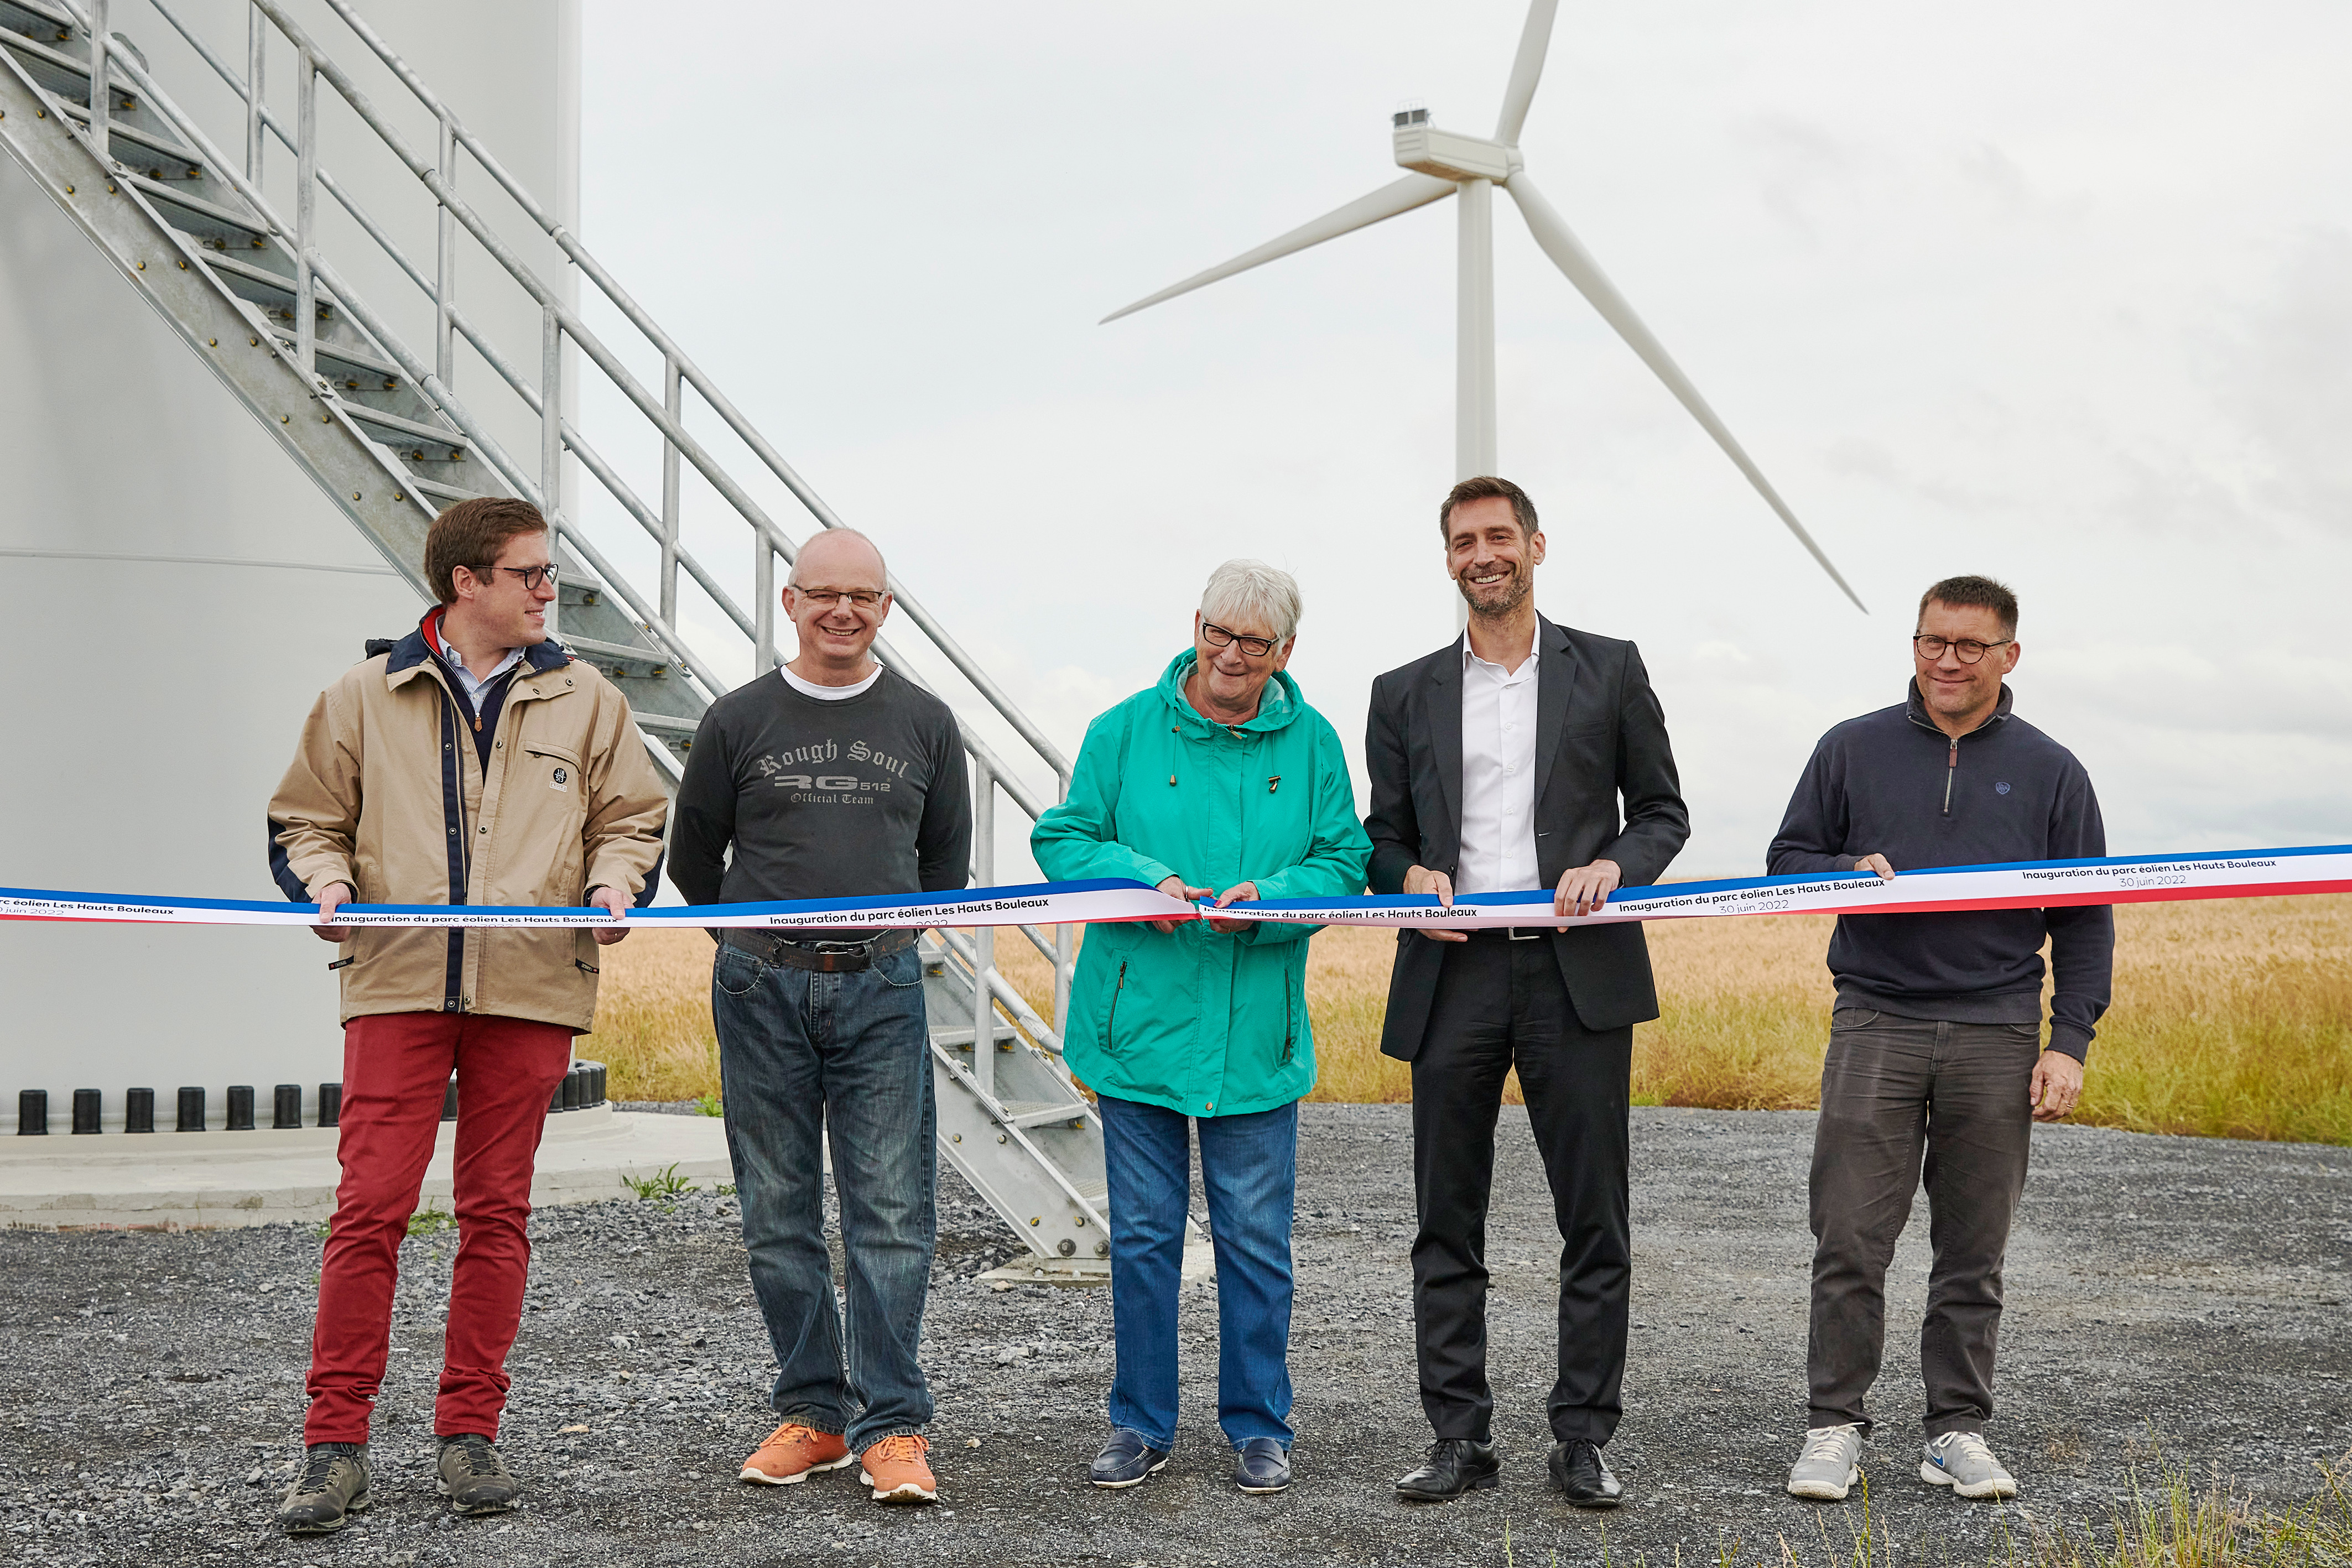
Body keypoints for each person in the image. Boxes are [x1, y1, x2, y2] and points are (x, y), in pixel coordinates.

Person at [265, 497, 669, 1532]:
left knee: (498, 1215)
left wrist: (616, 886)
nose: (550, 591)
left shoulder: (591, 700)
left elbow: (631, 821)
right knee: (370, 1213)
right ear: (467, 584)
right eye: (531, 573)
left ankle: (470, 1435)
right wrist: (323, 885)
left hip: (531, 990)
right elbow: (306, 820)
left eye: (550, 574)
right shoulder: (364, 694)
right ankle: (333, 1446)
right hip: (397, 983)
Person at [1365, 476, 1688, 1509]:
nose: (1482, 554)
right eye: (1464, 541)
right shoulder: (1401, 691)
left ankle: (1584, 1437)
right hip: (1451, 973)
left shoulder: (1612, 669)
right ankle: (1459, 1437)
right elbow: (1384, 840)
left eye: (1499, 536)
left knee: (1594, 1221)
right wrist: (1405, 877)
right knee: (1443, 1222)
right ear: (1447, 559)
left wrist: (1620, 870)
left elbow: (1665, 812)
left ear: (1537, 547)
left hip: (1574, 974)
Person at [1032, 560, 1371, 1497]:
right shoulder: (1123, 730)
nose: (1229, 656)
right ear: (1195, 626)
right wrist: (1145, 879)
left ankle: (1260, 1427)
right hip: (1136, 1034)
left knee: (1257, 1245)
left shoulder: (1314, 746)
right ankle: (1139, 1424)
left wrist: (1272, 899)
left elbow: (1345, 862)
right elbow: (1062, 837)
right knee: (1143, 1242)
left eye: (1253, 644)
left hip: (1256, 1036)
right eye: (1217, 634)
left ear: (1285, 652)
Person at [1770, 575, 2110, 1505]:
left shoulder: (2053, 769)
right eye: (1931, 642)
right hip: (1876, 1018)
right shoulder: (1851, 748)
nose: (1947, 661)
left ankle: (1955, 1429)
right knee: (1849, 1236)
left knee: (1973, 1247)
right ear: (1913, 644)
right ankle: (1833, 1426)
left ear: (2009, 654)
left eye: (1968, 646)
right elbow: (1788, 859)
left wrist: (2068, 1040)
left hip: (2000, 1028)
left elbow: (2085, 919)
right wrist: (1846, 869)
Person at [669, 528, 971, 1507]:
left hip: (881, 989)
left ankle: (893, 1425)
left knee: (891, 1213)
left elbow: (944, 868)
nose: (844, 611)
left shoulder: (925, 722)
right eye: (824, 594)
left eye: (865, 596)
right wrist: (760, 951)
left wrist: (861, 944)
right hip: (761, 990)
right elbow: (694, 859)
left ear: (887, 610)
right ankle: (815, 1413)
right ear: (791, 602)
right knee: (776, 1216)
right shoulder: (737, 719)